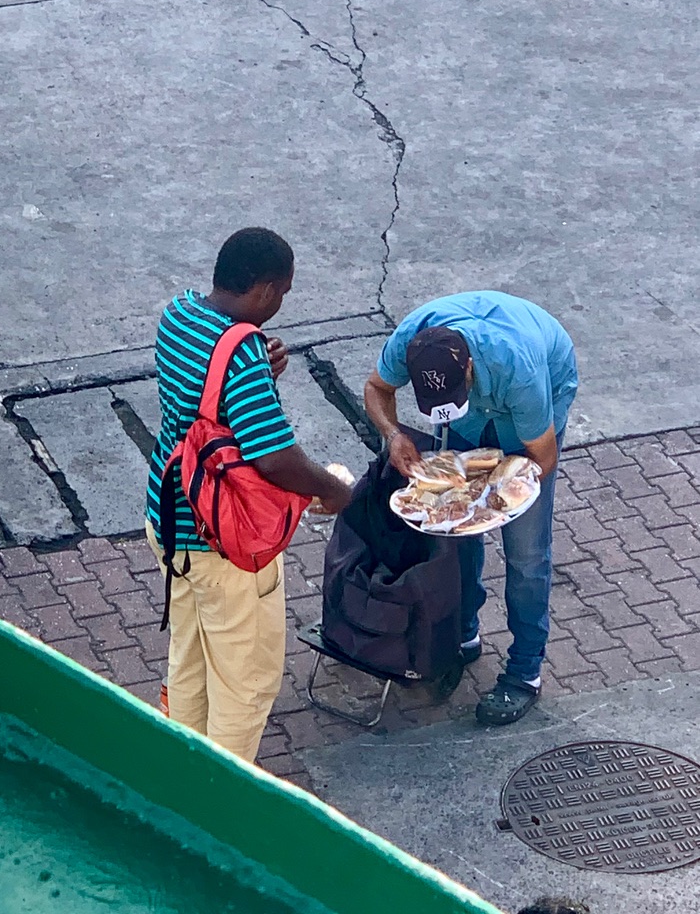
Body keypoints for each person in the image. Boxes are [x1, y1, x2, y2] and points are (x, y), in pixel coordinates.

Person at [145, 227, 353, 763]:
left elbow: (205, 394)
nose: (282, 302)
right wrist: (334, 490)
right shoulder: (241, 356)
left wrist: (260, 363)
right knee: (245, 683)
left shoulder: (179, 313)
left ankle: (181, 769)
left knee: (189, 659)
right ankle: (223, 793)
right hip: (222, 541)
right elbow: (273, 458)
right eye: (282, 291)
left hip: (168, 519)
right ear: (263, 289)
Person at [364, 291, 577, 726]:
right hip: (473, 414)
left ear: (467, 368)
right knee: (457, 533)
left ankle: (525, 672)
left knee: (526, 554)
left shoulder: (519, 370)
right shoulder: (410, 341)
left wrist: (494, 499)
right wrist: (394, 435)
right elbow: (376, 388)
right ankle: (463, 638)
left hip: (537, 397)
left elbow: (543, 459)